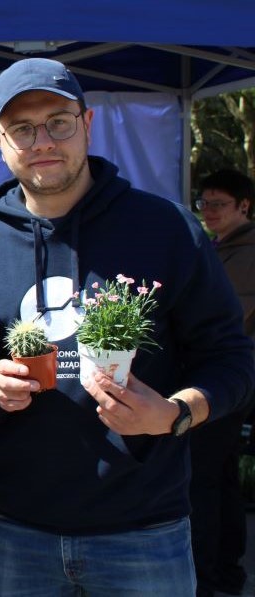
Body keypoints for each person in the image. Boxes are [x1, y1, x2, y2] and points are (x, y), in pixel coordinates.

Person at [0, 57, 255, 595]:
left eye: (58, 122)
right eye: (23, 129)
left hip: (144, 533)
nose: (43, 141)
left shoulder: (166, 229)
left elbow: (231, 359)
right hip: (17, 533)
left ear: (87, 124)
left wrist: (175, 413)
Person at [192, 168, 255, 595]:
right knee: (221, 475)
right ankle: (227, 572)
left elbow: (219, 320)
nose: (209, 211)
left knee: (203, 478)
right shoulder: (222, 248)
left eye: (219, 204)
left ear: (244, 206)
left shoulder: (246, 254)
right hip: (229, 379)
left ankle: (208, 577)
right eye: (204, 203)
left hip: (227, 381)